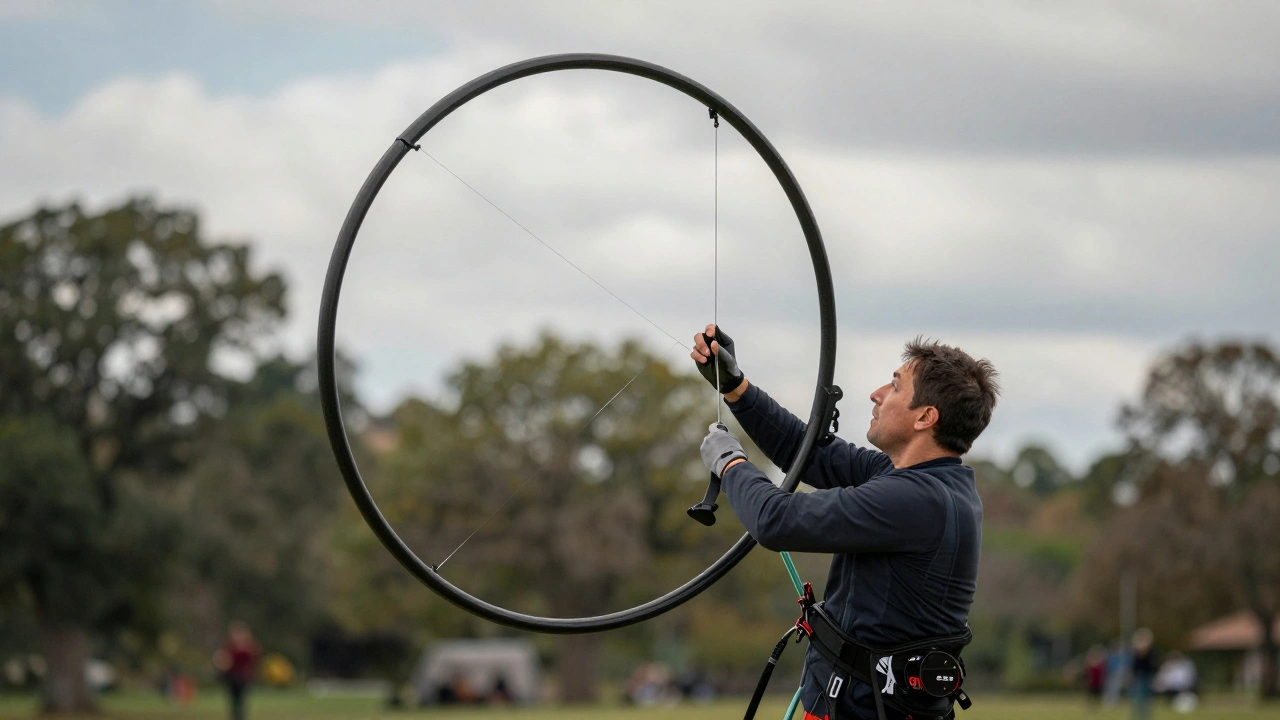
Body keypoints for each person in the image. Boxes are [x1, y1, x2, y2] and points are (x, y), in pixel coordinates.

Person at [693, 325, 998, 720]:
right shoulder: (918, 481)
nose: (876, 394)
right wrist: (736, 387)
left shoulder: (916, 499)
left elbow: (776, 520)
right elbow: (806, 452)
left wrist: (729, 463)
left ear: (925, 416)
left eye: (894, 385)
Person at [213, 622, 260, 720]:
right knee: (233, 700)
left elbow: (253, 662)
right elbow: (224, 661)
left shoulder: (249, 649)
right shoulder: (229, 648)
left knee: (241, 700)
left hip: (243, 678)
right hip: (232, 677)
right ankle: (235, 716)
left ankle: (240, 717)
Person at [1129, 628, 1157, 720]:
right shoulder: (1136, 654)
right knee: (1137, 697)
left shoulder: (1149, 653)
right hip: (1138, 677)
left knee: (1145, 697)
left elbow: (1151, 665)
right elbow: (1134, 666)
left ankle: (1145, 715)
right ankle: (1138, 715)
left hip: (1146, 677)